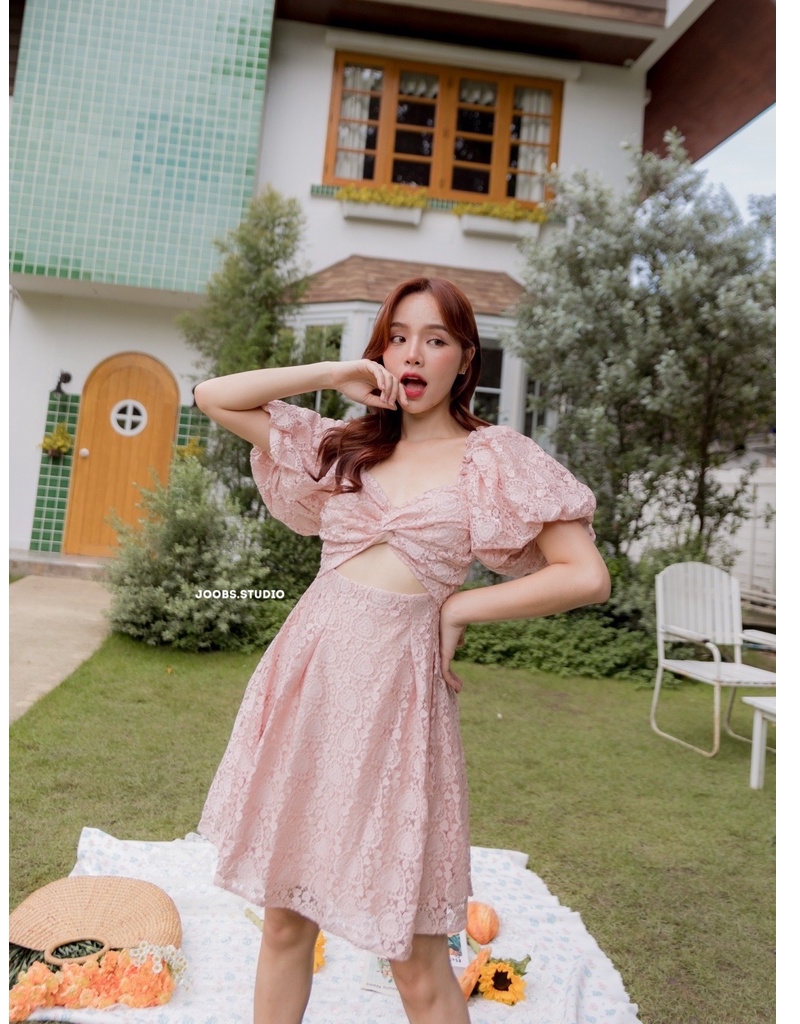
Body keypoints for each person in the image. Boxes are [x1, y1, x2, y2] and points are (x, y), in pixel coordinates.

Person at [194, 277, 610, 1024]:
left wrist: (461, 606)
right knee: (285, 922)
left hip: (397, 703)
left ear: (466, 358)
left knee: (416, 956)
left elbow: (586, 575)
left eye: (435, 339)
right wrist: (334, 373)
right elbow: (214, 396)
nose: (413, 353)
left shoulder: (492, 459)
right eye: (398, 337)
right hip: (313, 684)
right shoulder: (346, 447)